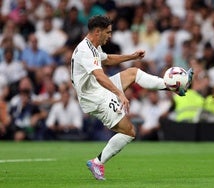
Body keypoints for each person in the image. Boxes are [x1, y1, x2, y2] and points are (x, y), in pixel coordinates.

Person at [71, 15, 193, 180]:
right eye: (108, 32)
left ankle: (172, 86)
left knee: (133, 73)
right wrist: (119, 93)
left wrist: (132, 56)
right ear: (97, 32)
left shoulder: (93, 46)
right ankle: (97, 162)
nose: (110, 35)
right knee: (129, 132)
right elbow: (99, 75)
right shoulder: (86, 50)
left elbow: (106, 60)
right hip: (93, 97)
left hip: (97, 89)